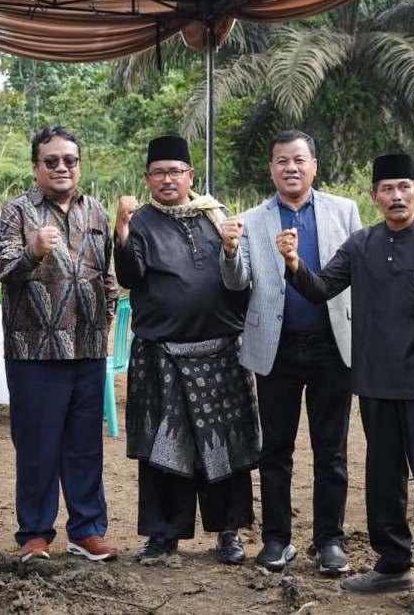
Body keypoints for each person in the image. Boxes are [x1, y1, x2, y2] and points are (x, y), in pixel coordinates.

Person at [278, 153, 414, 615]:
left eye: (405, 186)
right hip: (375, 381)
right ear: (374, 197)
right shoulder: (361, 243)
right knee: (383, 478)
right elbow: (322, 288)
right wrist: (291, 261)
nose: (396, 196)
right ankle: (392, 562)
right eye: (387, 188)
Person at [220, 129, 360, 575]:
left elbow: (360, 275)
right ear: (272, 169)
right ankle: (277, 539)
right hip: (275, 349)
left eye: (299, 160)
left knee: (331, 450)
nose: (291, 168)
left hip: (332, 347)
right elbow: (237, 283)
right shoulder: (251, 219)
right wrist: (228, 251)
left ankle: (329, 541)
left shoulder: (344, 211)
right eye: (282, 161)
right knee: (275, 449)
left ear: (313, 165)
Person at [114, 136, 260, 564]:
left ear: (190, 175)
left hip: (220, 352)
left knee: (225, 445)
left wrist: (233, 246)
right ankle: (163, 534)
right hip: (162, 353)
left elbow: (241, 278)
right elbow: (129, 275)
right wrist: (121, 232)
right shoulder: (139, 222)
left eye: (175, 171)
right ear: (146, 179)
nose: (166, 179)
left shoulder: (217, 217)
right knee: (164, 447)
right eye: (157, 172)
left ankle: (228, 532)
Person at [0, 124, 119, 564]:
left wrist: (104, 327)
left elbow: (107, 278)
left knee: (86, 447)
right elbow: (3, 269)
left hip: (87, 349)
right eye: (52, 161)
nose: (61, 167)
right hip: (35, 353)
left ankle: (86, 531)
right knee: (38, 447)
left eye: (70, 160)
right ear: (36, 166)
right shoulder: (16, 211)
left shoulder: (97, 211)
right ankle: (35, 533)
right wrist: (33, 251)